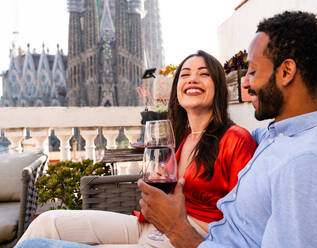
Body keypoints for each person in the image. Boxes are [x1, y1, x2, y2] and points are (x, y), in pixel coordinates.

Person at [136, 10, 317, 247]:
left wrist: (177, 229)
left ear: (286, 72)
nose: (245, 82)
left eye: (253, 71)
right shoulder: (278, 135)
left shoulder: (307, 163)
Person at [16, 50, 257, 247]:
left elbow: (247, 221)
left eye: (203, 74)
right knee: (47, 223)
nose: (192, 79)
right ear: (176, 90)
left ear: (218, 87)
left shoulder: (236, 139)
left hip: (190, 234)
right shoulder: (179, 137)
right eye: (185, 75)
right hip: (150, 225)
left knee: (36, 246)